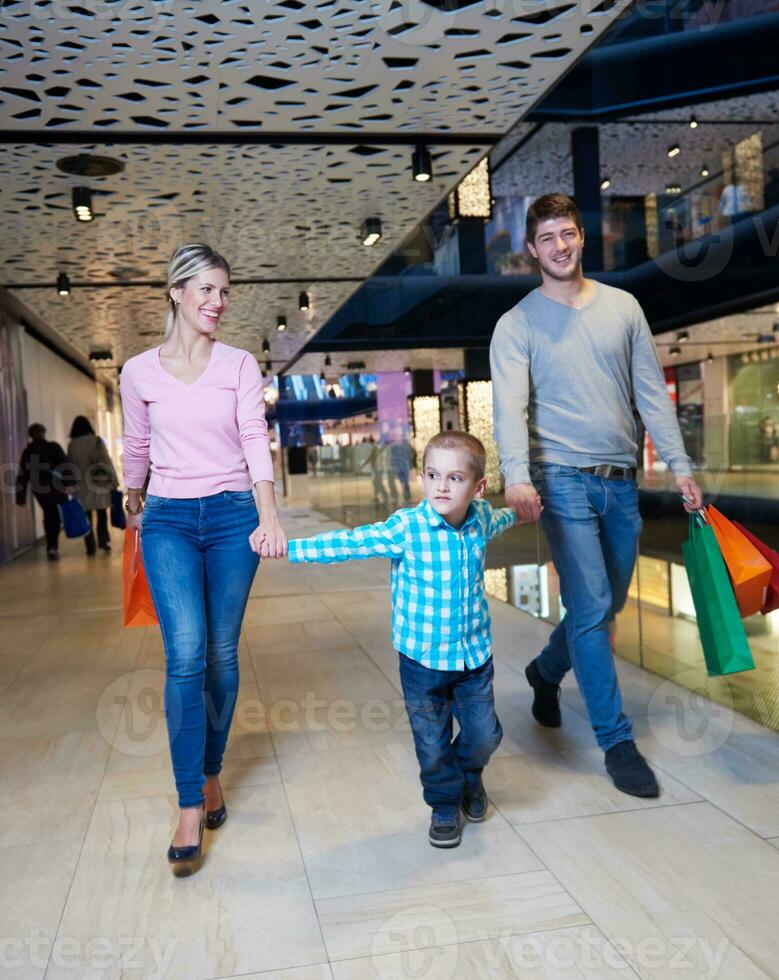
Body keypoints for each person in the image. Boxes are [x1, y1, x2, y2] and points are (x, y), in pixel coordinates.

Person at [490, 193, 703, 798]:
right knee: (591, 608)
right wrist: (517, 474)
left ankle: (544, 670)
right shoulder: (517, 324)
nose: (561, 245)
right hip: (559, 479)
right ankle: (616, 740)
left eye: (569, 234)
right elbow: (511, 407)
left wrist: (681, 466)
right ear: (532, 250)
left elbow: (651, 395)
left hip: (620, 481)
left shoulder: (623, 308)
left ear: (583, 238)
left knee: (603, 607)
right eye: (548, 237)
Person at [121, 243, 287, 874]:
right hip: (165, 520)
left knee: (221, 651)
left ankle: (211, 770)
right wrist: (133, 497)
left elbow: (253, 437)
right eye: (206, 290)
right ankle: (190, 801)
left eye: (224, 291)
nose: (218, 302)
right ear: (176, 293)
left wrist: (268, 513)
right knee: (185, 651)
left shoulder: (240, 365)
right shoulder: (138, 371)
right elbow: (137, 442)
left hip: (230, 518)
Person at [288, 431, 522, 849]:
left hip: (473, 658)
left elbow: (503, 519)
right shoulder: (407, 527)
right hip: (422, 661)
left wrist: (524, 513)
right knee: (432, 745)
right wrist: (288, 548)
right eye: (432, 475)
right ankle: (445, 805)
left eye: (454, 478)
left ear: (479, 487)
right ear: (422, 477)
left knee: (485, 735)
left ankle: (470, 774)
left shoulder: (483, 517)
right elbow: (349, 543)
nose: (441, 487)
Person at [15, 423, 74, 561]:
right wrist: (69, 483)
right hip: (56, 488)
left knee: (50, 515)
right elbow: (65, 465)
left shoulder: (28, 452)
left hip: (40, 491)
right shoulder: (53, 447)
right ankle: (52, 547)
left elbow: (22, 476)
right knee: (54, 517)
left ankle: (51, 547)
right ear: (44, 432)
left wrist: (20, 497)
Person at [67, 415, 118, 555]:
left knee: (86, 515)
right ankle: (103, 542)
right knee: (102, 513)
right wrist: (114, 481)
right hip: (98, 482)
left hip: (81, 483)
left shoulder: (72, 444)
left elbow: (69, 466)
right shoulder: (96, 441)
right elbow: (106, 462)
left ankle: (90, 546)